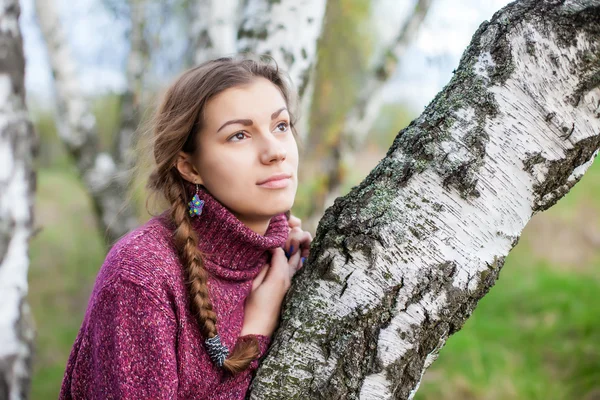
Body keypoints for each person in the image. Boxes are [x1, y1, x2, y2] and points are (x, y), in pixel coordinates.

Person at [58, 55, 313, 399]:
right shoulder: (140, 278)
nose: (274, 152)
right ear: (190, 167)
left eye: (280, 126)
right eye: (239, 135)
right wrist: (254, 334)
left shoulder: (284, 258)